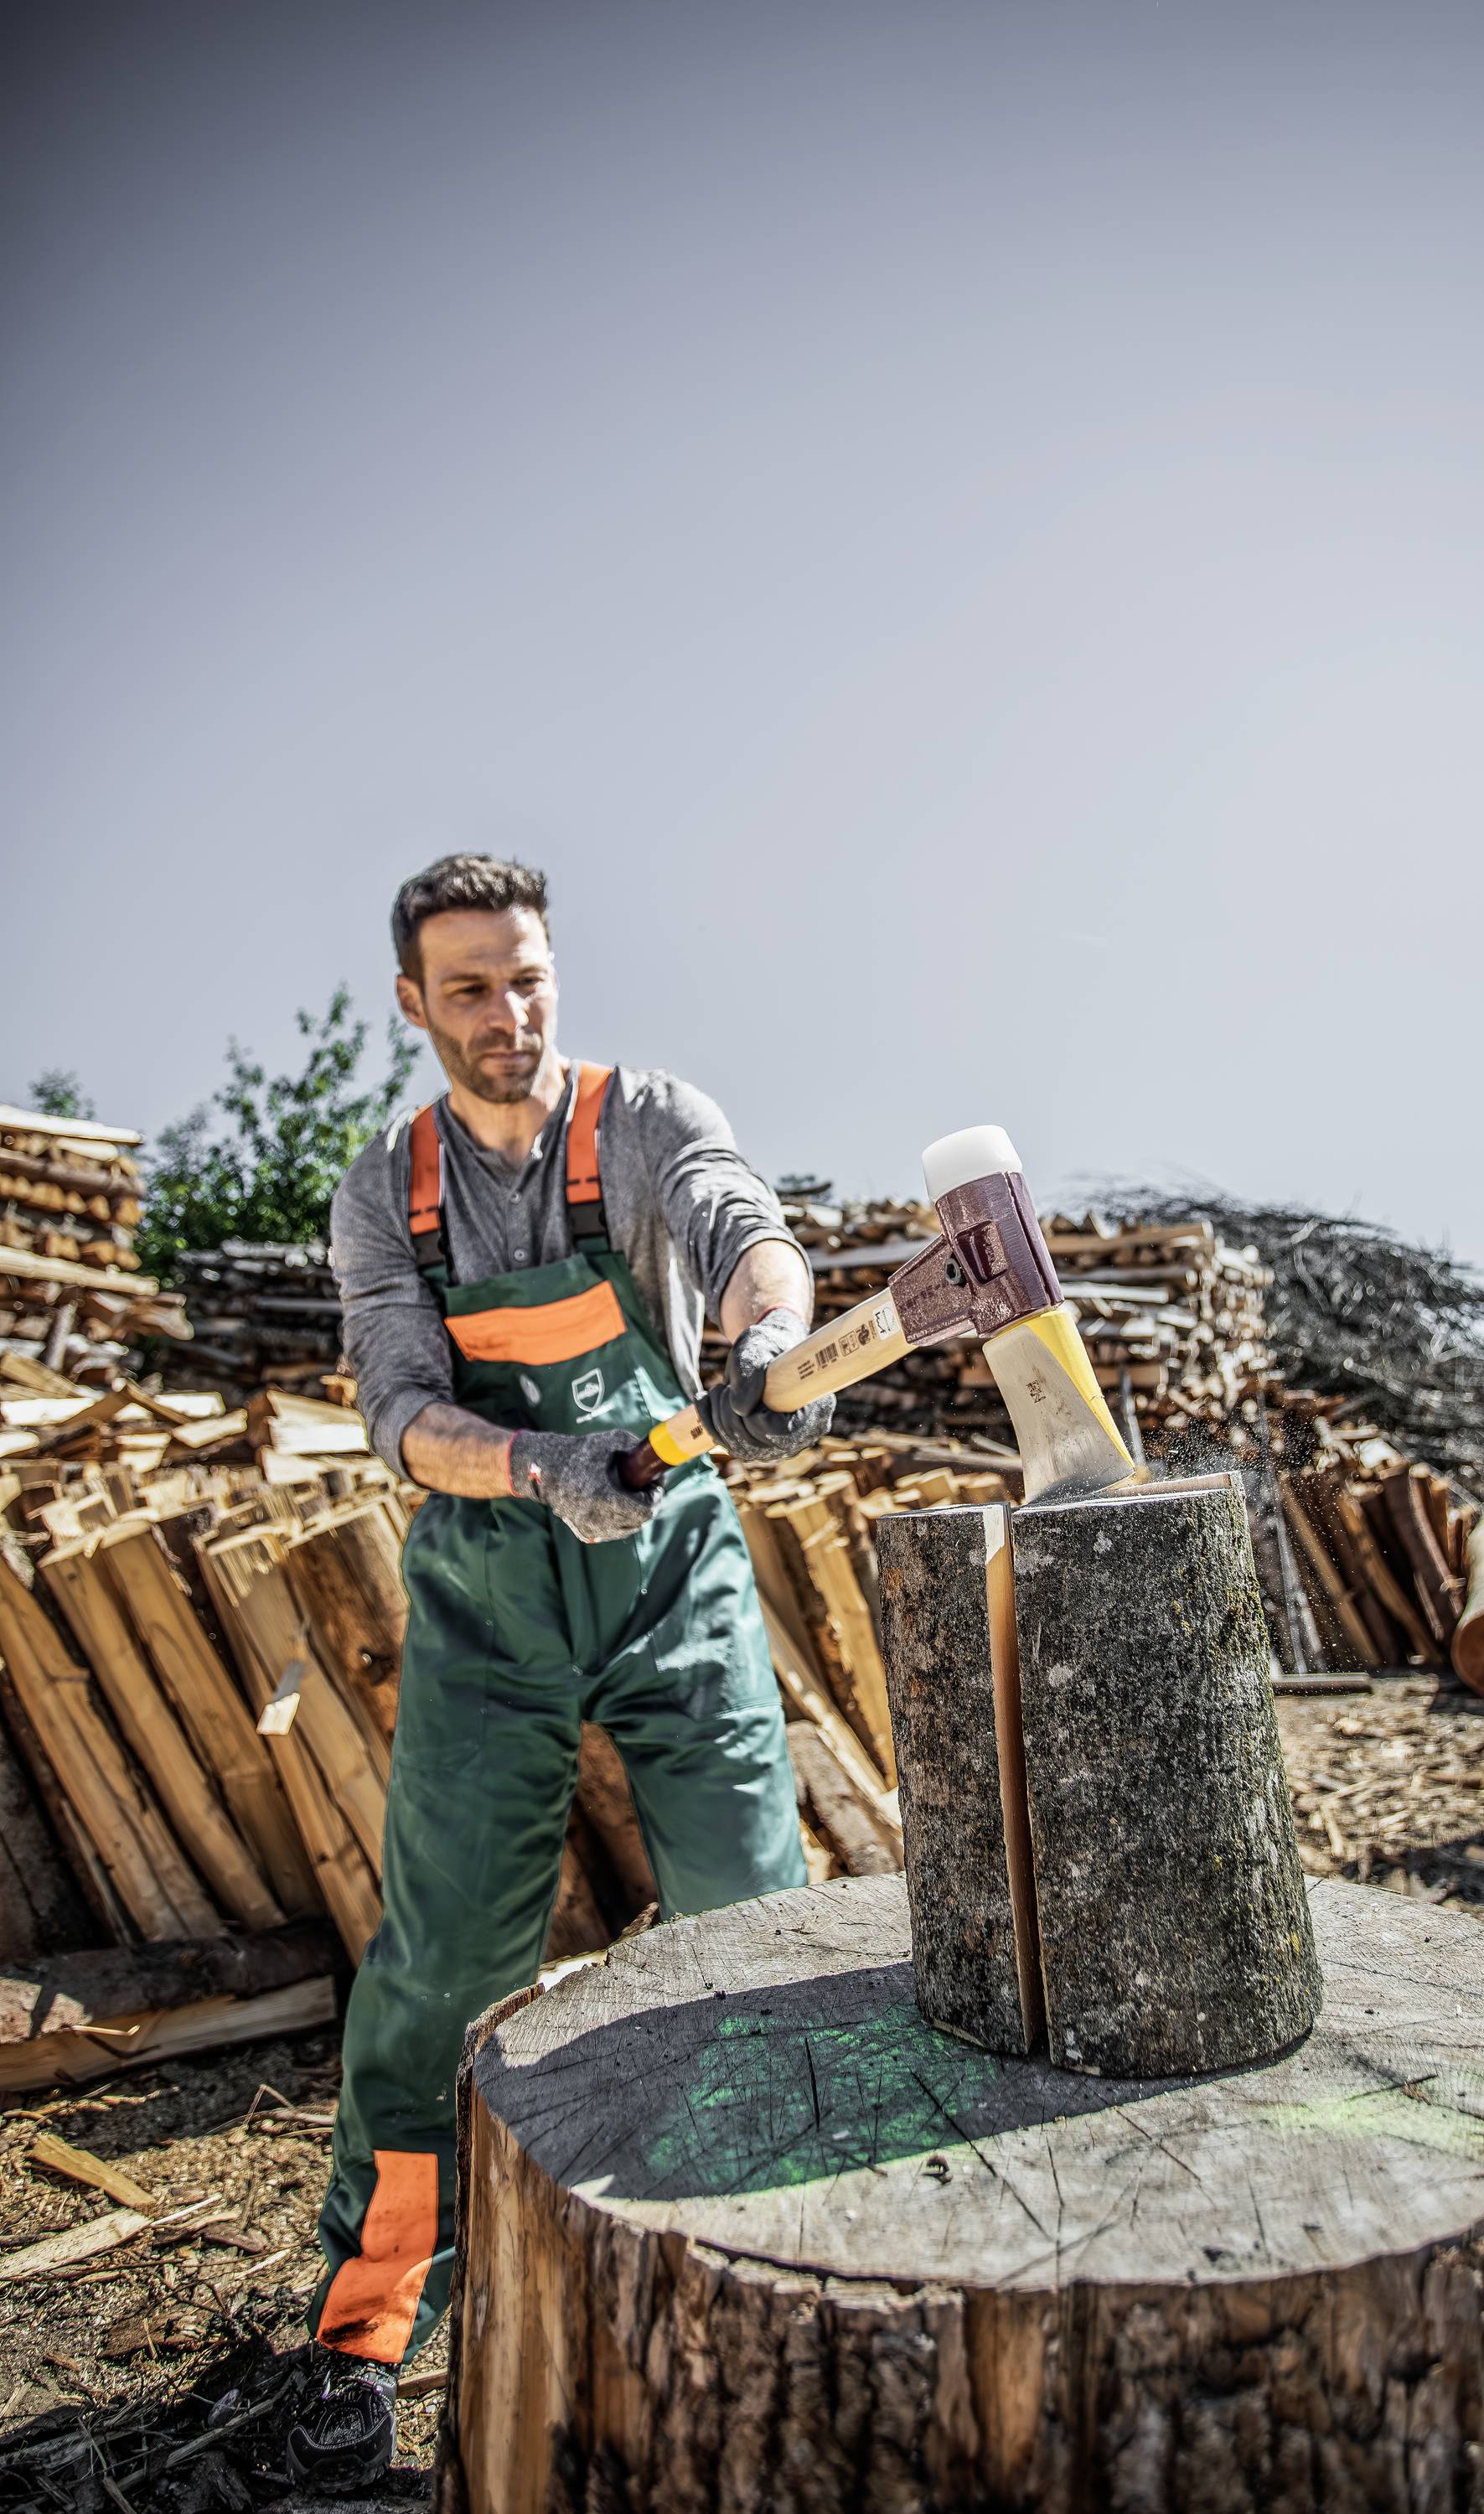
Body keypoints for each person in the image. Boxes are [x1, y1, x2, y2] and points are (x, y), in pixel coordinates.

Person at [286, 853, 829, 2492]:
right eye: (468, 989)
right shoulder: (391, 1190)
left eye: (525, 976)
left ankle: (781, 2267)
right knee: (443, 1968)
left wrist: (759, 1344)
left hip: (672, 1564)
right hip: (489, 1596)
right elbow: (399, 1414)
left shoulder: (644, 1117)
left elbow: (751, 1237)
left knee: (750, 1905)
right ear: (413, 1005)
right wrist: (535, 1469)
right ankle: (368, 2326)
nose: (507, 1014)